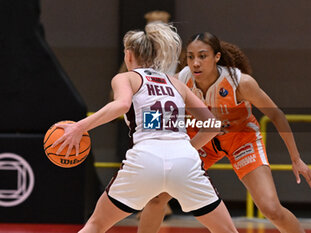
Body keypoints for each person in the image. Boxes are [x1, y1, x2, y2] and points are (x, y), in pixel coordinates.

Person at [51, 23, 240, 233]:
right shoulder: (175, 83)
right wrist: (186, 148)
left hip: (145, 157)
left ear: (129, 55)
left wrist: (80, 126)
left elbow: (121, 105)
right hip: (185, 161)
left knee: (96, 225)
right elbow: (213, 126)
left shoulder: (126, 78)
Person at [137, 32, 311, 233]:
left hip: (241, 139)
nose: (195, 63)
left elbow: (277, 116)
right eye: (190, 57)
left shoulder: (240, 83)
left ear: (216, 57)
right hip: (202, 140)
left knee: (271, 209)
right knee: (156, 198)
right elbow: (159, 110)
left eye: (202, 56)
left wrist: (296, 158)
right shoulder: (181, 80)